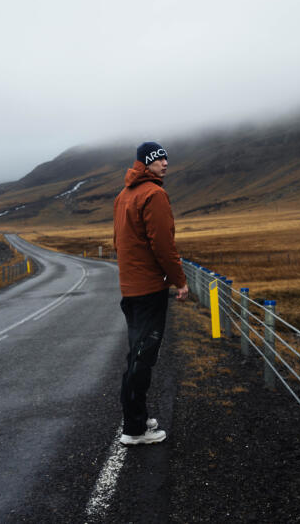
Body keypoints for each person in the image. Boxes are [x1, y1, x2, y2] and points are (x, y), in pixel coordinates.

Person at [113, 141, 188, 445]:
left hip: (130, 288)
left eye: (167, 158)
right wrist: (179, 280)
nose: (165, 163)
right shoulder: (154, 194)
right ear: (145, 163)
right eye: (159, 159)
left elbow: (119, 242)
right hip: (149, 288)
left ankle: (137, 417)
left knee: (136, 354)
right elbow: (163, 245)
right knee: (144, 357)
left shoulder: (124, 195)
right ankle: (135, 430)